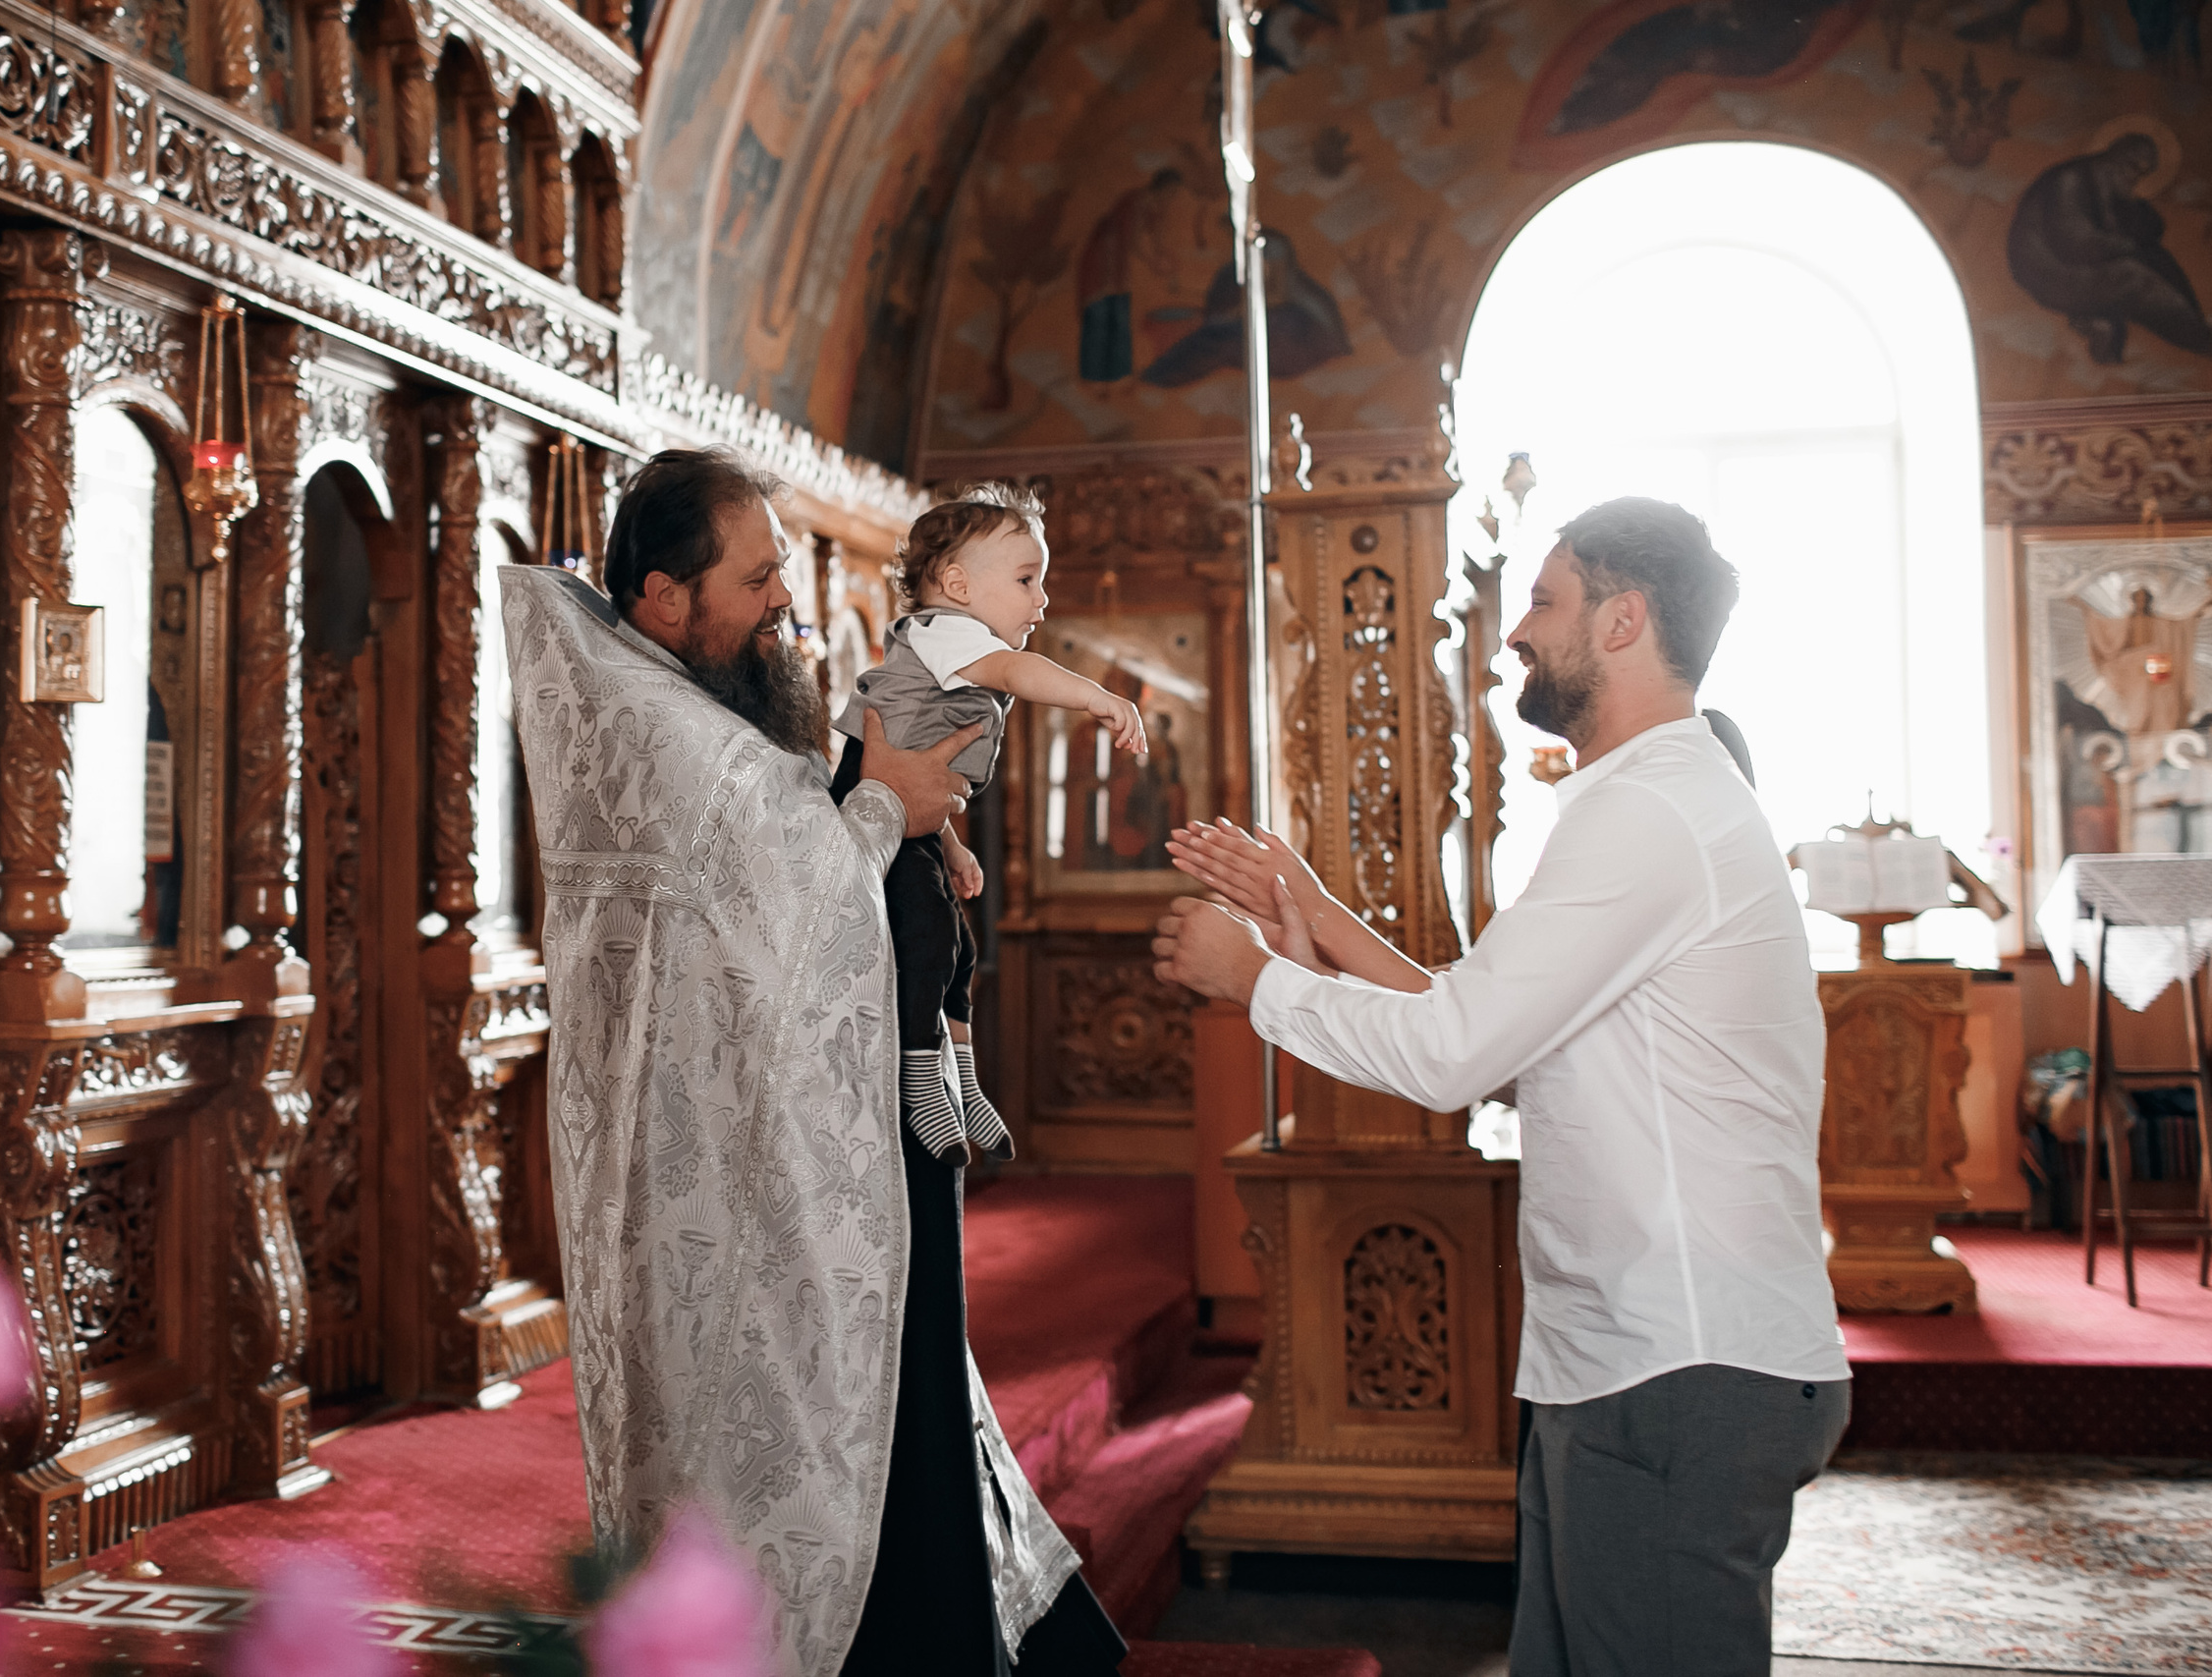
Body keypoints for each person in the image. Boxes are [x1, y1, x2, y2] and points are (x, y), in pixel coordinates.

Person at [1151, 497, 1849, 1677]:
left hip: (1681, 1356)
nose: (1511, 634)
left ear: (1623, 622)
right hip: (1633, 1352)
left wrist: (1255, 982)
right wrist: (1317, 921)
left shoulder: (1648, 812)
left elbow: (1451, 1055)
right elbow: (1509, 1038)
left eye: (1543, 601)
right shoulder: (1647, 805)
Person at [497, 450, 1123, 1677]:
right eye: (759, 574)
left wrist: (884, 814)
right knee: (822, 1405)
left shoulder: (699, 701)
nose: (784, 598)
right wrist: (883, 805)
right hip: (743, 1164)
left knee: (904, 1376)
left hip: (822, 1112)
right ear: (666, 599)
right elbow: (806, 892)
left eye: (783, 568)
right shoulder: (666, 731)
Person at [833, 483, 1146, 1163]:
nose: (1042, 600)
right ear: (956, 584)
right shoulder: (950, 634)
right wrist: (1096, 697)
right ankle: (921, 1081)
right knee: (927, 939)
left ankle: (963, 1080)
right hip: (862, 796)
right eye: (1027, 579)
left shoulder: (952, 651)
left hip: (903, 813)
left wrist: (948, 843)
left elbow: (915, 771)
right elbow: (1016, 668)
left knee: (960, 949)